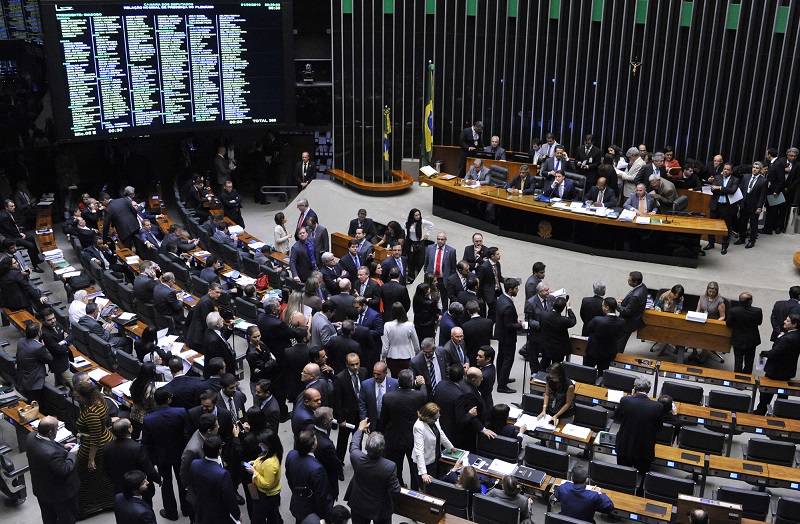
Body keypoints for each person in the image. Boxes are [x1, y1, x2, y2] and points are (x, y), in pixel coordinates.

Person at [142, 387, 190, 520]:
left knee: (166, 484)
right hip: (181, 453)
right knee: (183, 482)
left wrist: (151, 462)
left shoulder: (149, 419)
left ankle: (171, 513)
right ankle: (186, 509)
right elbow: (186, 434)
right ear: (169, 399)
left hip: (161, 456)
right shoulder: (181, 412)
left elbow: (147, 443)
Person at [72, 381, 116, 518]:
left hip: (95, 448)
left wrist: (91, 460)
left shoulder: (91, 413)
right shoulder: (99, 400)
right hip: (106, 439)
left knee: (84, 477)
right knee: (102, 475)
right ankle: (109, 501)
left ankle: (87, 508)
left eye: (78, 397)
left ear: (86, 396)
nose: (75, 399)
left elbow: (95, 439)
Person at [26, 416, 80, 524]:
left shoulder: (31, 437)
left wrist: (63, 447)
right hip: (60, 494)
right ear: (50, 432)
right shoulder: (51, 454)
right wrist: (71, 455)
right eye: (57, 429)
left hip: (41, 489)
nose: (57, 431)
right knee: (68, 519)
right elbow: (64, 471)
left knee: (48, 518)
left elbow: (49, 445)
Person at [346, 419, 402, 524]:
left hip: (359, 503)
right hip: (381, 507)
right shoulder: (390, 466)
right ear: (383, 449)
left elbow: (354, 444)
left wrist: (360, 429)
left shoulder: (356, 458)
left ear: (366, 447)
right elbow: (395, 490)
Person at [615, 377, 663, 478]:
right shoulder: (657, 406)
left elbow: (617, 417)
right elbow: (659, 428)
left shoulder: (625, 400)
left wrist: (631, 397)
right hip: (644, 449)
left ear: (634, 389)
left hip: (625, 446)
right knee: (642, 477)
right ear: (649, 390)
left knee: (622, 475)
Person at [754, 313, 800, 415]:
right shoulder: (796, 335)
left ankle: (760, 411)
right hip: (788, 370)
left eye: (787, 321)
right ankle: (781, 413)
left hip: (776, 371)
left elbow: (775, 353)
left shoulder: (787, 338)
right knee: (783, 394)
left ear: (794, 324)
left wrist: (763, 353)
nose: (784, 321)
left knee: (766, 393)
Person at [190, 435, 241, 524]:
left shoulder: (194, 464)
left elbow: (194, 486)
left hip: (201, 508)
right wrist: (237, 514)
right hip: (218, 513)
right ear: (219, 451)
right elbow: (230, 499)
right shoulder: (223, 474)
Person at [286, 429, 332, 522]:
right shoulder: (317, 469)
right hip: (311, 510)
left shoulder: (291, 455)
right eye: (315, 439)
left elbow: (289, 478)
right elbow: (321, 496)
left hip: (297, 501)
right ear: (312, 446)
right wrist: (323, 516)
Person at [412, 402, 455, 487]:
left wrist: (450, 447)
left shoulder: (435, 419)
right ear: (427, 417)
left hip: (435, 456)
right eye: (435, 419)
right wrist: (423, 473)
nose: (437, 420)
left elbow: (440, 433)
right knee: (426, 487)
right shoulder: (418, 427)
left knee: (436, 482)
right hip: (425, 462)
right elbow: (419, 451)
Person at [246, 430, 284, 524]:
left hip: (266, 495)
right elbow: (262, 462)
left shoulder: (270, 464)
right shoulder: (271, 453)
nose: (260, 446)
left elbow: (267, 483)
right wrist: (255, 463)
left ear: (269, 445)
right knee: (272, 514)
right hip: (270, 494)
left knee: (258, 519)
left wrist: (254, 472)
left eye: (262, 444)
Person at [583, 298, 625, 375]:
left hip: (593, 352)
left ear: (607, 308)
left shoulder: (597, 320)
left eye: (602, 305)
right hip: (608, 353)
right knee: (602, 375)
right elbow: (619, 336)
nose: (601, 307)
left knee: (586, 374)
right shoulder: (621, 322)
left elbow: (587, 330)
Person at [705, 162, 739, 254]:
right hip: (715, 205)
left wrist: (719, 188)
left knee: (726, 227)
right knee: (711, 225)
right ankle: (710, 243)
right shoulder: (717, 177)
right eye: (724, 169)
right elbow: (713, 189)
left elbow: (732, 191)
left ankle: (724, 246)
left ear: (731, 171)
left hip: (726, 206)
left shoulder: (735, 180)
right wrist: (723, 190)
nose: (725, 171)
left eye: (728, 170)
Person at [495, 277, 521, 393]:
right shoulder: (508, 305)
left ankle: (501, 378)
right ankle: (502, 386)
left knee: (501, 357)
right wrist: (521, 326)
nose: (517, 290)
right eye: (516, 288)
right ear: (510, 290)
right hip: (508, 336)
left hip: (501, 334)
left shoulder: (502, 298)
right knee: (508, 360)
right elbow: (509, 325)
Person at [15, 322, 52, 405]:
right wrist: (43, 346)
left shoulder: (21, 341)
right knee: (36, 404)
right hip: (34, 382)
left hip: (23, 377)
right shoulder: (38, 347)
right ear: (39, 333)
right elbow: (49, 359)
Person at [727, 292, 762, 374]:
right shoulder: (757, 311)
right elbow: (759, 322)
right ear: (750, 301)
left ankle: (737, 378)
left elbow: (729, 323)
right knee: (749, 361)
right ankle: (747, 377)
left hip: (738, 339)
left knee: (738, 360)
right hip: (752, 339)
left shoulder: (734, 311)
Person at [381, 302, 420, 377]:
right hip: (407, 356)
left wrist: (383, 357)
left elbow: (385, 346)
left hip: (392, 357)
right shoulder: (410, 325)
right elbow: (416, 344)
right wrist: (417, 353)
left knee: (394, 378)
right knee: (408, 377)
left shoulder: (387, 325)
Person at [735, 162, 768, 249]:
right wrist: (739, 202)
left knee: (753, 224)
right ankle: (742, 238)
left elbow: (762, 195)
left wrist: (759, 207)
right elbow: (741, 189)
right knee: (742, 222)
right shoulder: (746, 177)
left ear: (760, 170)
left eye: (757, 168)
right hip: (744, 202)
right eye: (753, 167)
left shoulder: (763, 180)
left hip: (754, 204)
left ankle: (752, 241)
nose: (754, 169)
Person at [358, 362, 399, 433]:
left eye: (378, 374)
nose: (375, 376)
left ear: (385, 373)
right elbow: (362, 404)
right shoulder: (365, 385)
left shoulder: (395, 384)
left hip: (389, 423)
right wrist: (364, 421)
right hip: (373, 422)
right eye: (374, 373)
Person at [539, 296, 577, 369]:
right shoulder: (564, 320)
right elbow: (573, 320)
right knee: (556, 368)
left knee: (544, 364)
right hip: (558, 349)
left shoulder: (543, 315)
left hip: (546, 346)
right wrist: (569, 307)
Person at [617, 271, 647, 353]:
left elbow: (627, 311)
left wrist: (616, 306)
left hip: (627, 323)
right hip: (631, 321)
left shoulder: (636, 295)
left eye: (629, 280)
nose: (628, 280)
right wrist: (623, 302)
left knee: (620, 343)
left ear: (635, 282)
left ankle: (616, 358)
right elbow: (632, 304)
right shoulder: (642, 287)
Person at [404, 208, 434, 282]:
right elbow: (405, 229)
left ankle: (420, 279)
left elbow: (432, 226)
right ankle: (411, 278)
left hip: (420, 243)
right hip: (411, 243)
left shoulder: (422, 222)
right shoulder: (408, 222)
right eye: (416, 215)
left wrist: (427, 234)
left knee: (420, 261)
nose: (418, 217)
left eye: (419, 215)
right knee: (410, 261)